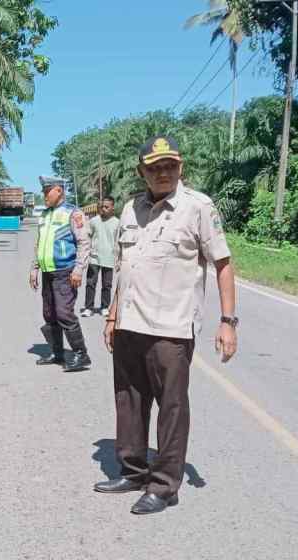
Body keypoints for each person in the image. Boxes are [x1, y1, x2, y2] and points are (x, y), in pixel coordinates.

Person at [95, 135, 238, 515]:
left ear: (181, 168)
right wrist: (112, 315)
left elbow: (222, 263)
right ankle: (133, 470)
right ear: (142, 172)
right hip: (129, 324)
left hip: (171, 329)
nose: (163, 173)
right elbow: (122, 267)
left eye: (169, 166)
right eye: (154, 167)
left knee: (171, 407)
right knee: (129, 400)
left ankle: (164, 485)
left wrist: (227, 321)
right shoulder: (129, 209)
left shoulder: (198, 207)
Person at [28, 180, 92, 372]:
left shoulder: (73, 213)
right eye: (44, 191)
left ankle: (81, 354)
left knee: (65, 313)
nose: (45, 195)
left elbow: (83, 243)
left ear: (59, 190)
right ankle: (57, 353)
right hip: (48, 271)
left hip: (65, 272)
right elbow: (40, 243)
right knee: (50, 314)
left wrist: (79, 269)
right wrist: (35, 267)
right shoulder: (45, 215)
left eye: (48, 191)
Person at [81, 196, 118, 317]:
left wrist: (119, 258)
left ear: (113, 207)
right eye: (102, 206)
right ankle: (88, 308)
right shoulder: (94, 221)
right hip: (94, 257)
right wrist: (86, 254)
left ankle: (104, 307)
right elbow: (87, 237)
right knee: (91, 283)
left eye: (107, 207)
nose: (103, 209)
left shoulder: (117, 223)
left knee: (107, 284)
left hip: (109, 258)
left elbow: (119, 242)